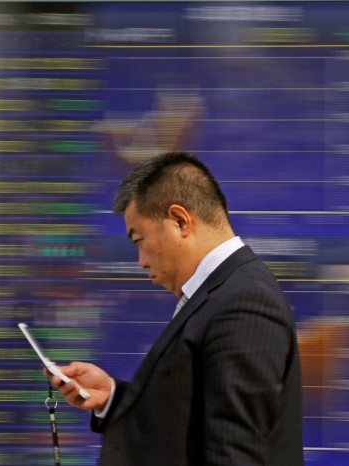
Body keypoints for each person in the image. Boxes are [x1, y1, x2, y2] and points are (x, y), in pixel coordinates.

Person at [46, 151, 304, 465]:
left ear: (180, 221)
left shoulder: (245, 301)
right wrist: (112, 397)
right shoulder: (223, 294)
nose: (141, 261)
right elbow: (193, 419)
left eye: (139, 240)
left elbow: (234, 450)